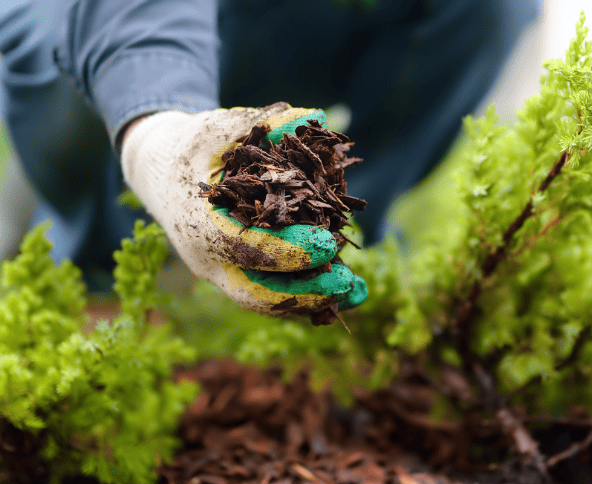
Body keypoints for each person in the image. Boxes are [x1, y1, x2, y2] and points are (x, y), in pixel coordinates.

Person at [0, 0, 540, 315]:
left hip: (282, 26)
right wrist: (155, 134)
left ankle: (321, 250)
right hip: (94, 23)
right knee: (77, 56)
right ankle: (82, 236)